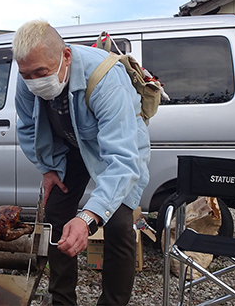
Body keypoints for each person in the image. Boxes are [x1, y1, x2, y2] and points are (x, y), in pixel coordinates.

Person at [13, 20, 150, 306]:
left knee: (119, 222)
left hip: (116, 148)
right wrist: (47, 168)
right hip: (70, 147)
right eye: (27, 74)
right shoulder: (27, 75)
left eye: (42, 73)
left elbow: (123, 160)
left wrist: (87, 218)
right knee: (56, 212)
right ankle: (62, 300)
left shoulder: (106, 78)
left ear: (65, 56)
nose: (34, 80)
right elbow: (27, 127)